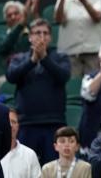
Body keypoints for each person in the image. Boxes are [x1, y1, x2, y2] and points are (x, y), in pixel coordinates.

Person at [6, 19, 70, 164]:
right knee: (25, 169)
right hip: (27, 124)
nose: (42, 36)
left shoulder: (61, 57)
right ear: (30, 37)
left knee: (54, 171)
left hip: (54, 123)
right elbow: (11, 76)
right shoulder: (19, 58)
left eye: (45, 33)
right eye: (37, 33)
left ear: (51, 37)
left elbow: (63, 76)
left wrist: (45, 58)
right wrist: (33, 60)